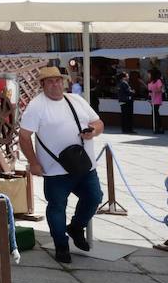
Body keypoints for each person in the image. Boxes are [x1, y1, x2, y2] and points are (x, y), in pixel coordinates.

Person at [18, 66, 104, 265]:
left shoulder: (76, 100)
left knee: (94, 197)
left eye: (58, 80)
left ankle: (75, 227)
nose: (55, 84)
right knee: (57, 206)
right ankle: (61, 246)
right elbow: (23, 137)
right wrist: (33, 162)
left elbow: (98, 122)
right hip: (55, 169)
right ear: (42, 85)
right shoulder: (37, 106)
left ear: (63, 82)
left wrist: (93, 131)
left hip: (85, 166)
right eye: (50, 81)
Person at [147, 68, 165, 134]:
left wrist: (154, 91)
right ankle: (157, 127)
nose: (148, 75)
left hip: (157, 99)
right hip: (152, 99)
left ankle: (159, 127)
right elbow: (149, 91)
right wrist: (149, 96)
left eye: (149, 74)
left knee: (155, 112)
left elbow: (161, 90)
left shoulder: (158, 81)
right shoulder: (150, 81)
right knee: (154, 113)